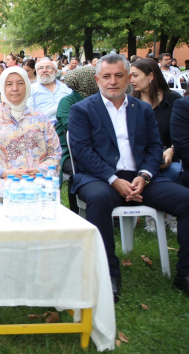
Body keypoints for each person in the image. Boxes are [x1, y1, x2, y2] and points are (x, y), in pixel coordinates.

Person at [68, 53, 189, 303]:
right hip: (99, 179)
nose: (113, 81)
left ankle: (185, 274)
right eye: (107, 76)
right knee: (99, 200)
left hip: (142, 178)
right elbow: (82, 152)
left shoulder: (141, 108)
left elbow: (155, 147)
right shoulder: (82, 109)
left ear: (127, 79)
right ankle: (108, 275)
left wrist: (144, 175)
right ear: (97, 79)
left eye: (119, 76)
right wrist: (114, 180)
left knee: (186, 200)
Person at [0, 66, 61, 200]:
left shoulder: (40, 118)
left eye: (20, 83)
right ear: (3, 87)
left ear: (27, 86)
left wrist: (39, 170)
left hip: (36, 179)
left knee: (43, 194)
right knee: (8, 195)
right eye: (9, 84)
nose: (15, 89)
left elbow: (55, 153)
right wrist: (5, 172)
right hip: (3, 179)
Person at [130, 58, 183, 226]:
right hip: (140, 158)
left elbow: (182, 134)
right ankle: (151, 216)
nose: (131, 80)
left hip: (172, 154)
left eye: (135, 75)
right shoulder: (130, 103)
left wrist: (171, 150)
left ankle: (173, 215)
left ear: (151, 76)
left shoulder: (173, 100)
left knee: (175, 170)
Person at [55, 66, 99, 211]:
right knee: (78, 173)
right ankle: (76, 212)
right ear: (87, 82)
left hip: (97, 147)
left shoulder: (100, 99)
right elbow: (71, 127)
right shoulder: (67, 101)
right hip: (69, 150)